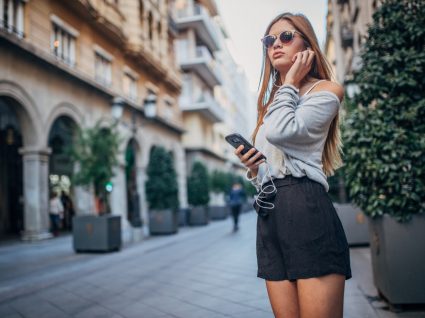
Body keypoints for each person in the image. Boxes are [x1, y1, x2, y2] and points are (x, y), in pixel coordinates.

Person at [234, 12, 351, 318]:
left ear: (307, 45)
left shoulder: (326, 91)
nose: (276, 45)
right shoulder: (273, 102)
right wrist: (256, 169)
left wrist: (288, 84)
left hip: (307, 208)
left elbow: (282, 132)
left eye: (286, 37)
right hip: (271, 213)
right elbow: (272, 161)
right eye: (269, 40)